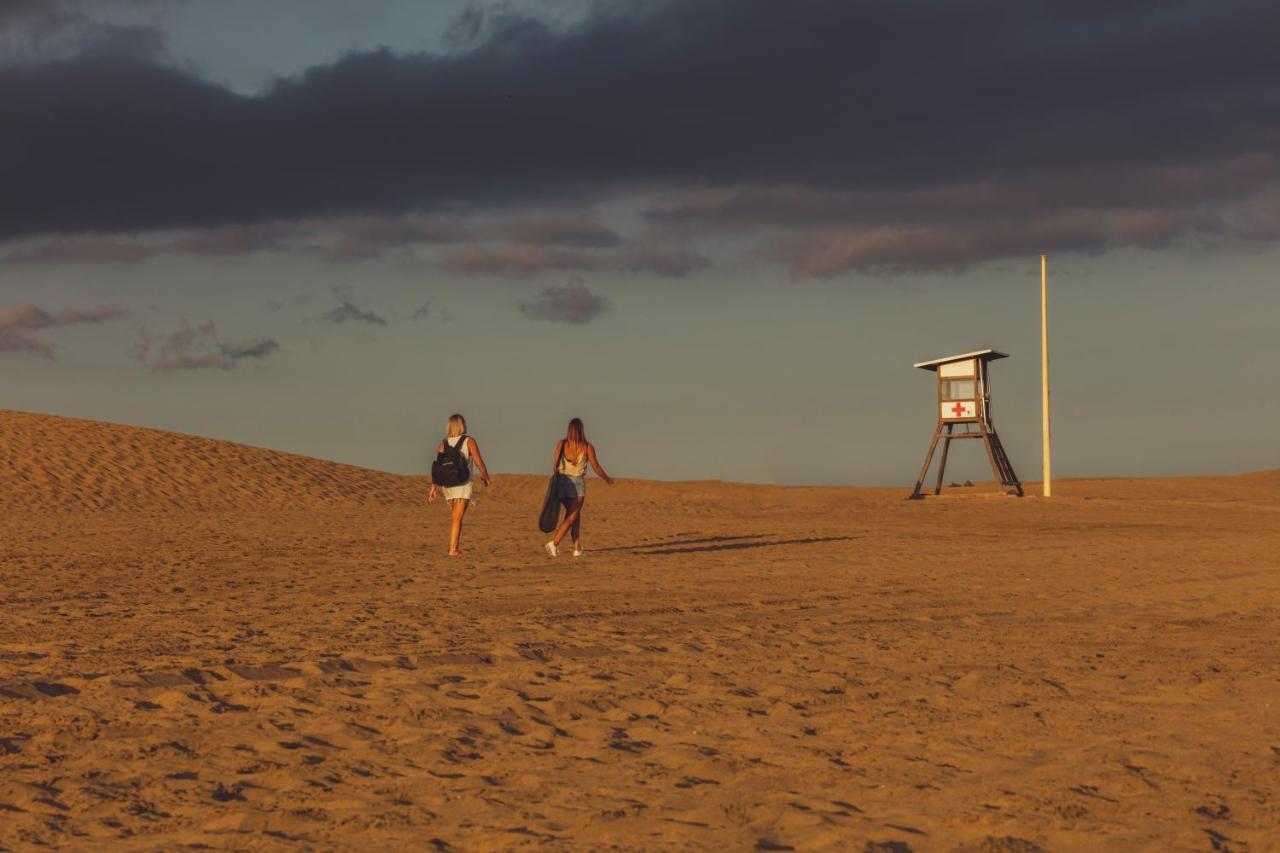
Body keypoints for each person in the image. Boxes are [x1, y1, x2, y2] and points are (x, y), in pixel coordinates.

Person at [545, 417, 613, 558]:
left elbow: (555, 466)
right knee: (571, 517)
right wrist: (607, 479)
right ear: (581, 430)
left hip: (562, 483)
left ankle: (577, 548)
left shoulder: (561, 444)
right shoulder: (587, 447)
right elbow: (596, 467)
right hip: (576, 486)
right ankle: (554, 542)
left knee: (576, 515)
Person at [428, 414, 490, 557]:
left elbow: (437, 467)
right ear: (461, 425)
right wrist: (486, 477)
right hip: (463, 483)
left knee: (455, 516)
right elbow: (479, 462)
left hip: (448, 485)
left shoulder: (443, 443)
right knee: (457, 517)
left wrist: (433, 488)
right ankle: (453, 549)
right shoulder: (468, 441)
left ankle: (453, 547)